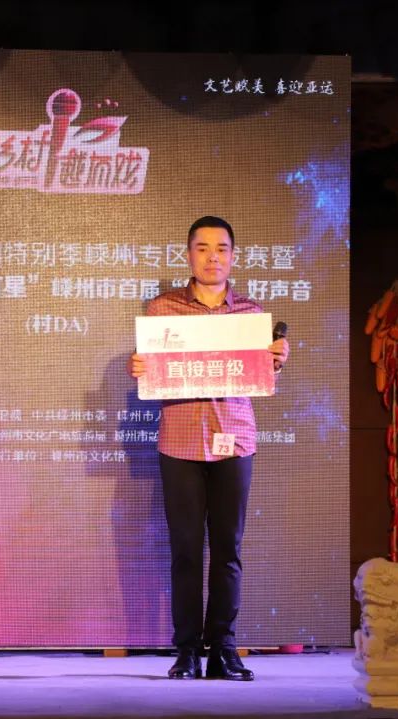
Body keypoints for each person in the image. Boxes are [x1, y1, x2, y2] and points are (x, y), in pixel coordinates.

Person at [128, 216, 289, 681]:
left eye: (221, 249)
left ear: (233, 256)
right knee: (184, 550)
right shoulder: (163, 310)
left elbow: (259, 379)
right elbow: (153, 376)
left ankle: (223, 649)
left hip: (234, 438)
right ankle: (186, 651)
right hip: (179, 441)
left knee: (227, 550)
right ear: (188, 255)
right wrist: (141, 369)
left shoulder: (251, 315)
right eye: (202, 248)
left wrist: (275, 363)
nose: (212, 257)